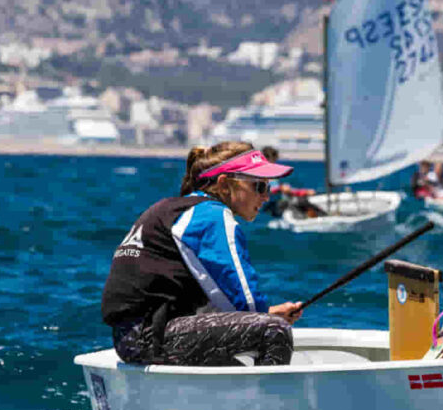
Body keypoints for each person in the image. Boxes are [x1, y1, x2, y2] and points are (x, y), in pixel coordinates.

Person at [101, 142, 303, 367]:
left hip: (132, 337)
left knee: (242, 355)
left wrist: (269, 312)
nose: (266, 197)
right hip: (151, 337)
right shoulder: (211, 215)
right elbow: (247, 306)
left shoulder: (177, 208)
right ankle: (271, 392)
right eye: (259, 186)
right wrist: (269, 315)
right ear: (224, 184)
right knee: (274, 330)